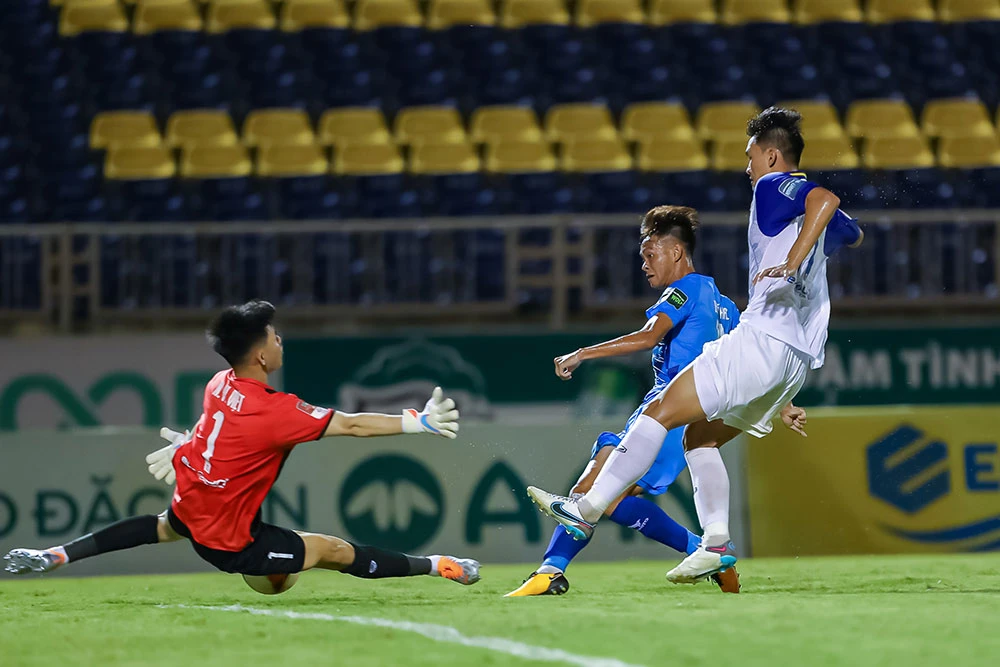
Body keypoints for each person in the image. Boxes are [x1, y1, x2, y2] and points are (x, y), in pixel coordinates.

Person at [526, 107, 863, 586]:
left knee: (659, 410)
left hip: (764, 338)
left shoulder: (771, 187)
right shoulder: (792, 215)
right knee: (698, 439)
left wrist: (790, 260)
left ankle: (586, 509)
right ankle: (715, 545)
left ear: (771, 155)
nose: (747, 168)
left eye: (750, 157)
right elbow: (850, 229)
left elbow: (825, 198)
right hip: (794, 359)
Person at [4, 300, 480, 587]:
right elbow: (352, 426)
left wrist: (187, 447)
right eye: (275, 336)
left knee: (162, 526)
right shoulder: (276, 411)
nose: (280, 340)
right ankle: (440, 566)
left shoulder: (218, 382)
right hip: (234, 544)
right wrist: (418, 423)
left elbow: (216, 426)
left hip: (193, 511)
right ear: (259, 353)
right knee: (328, 554)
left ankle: (55, 554)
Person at [506, 206, 744, 597]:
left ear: (677, 254)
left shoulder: (686, 289)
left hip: (668, 413)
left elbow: (650, 337)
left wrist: (582, 353)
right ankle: (552, 570)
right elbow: (747, 365)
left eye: (651, 255)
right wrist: (783, 405)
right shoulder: (726, 308)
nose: (645, 265)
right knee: (601, 490)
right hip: (685, 413)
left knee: (596, 492)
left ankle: (552, 572)